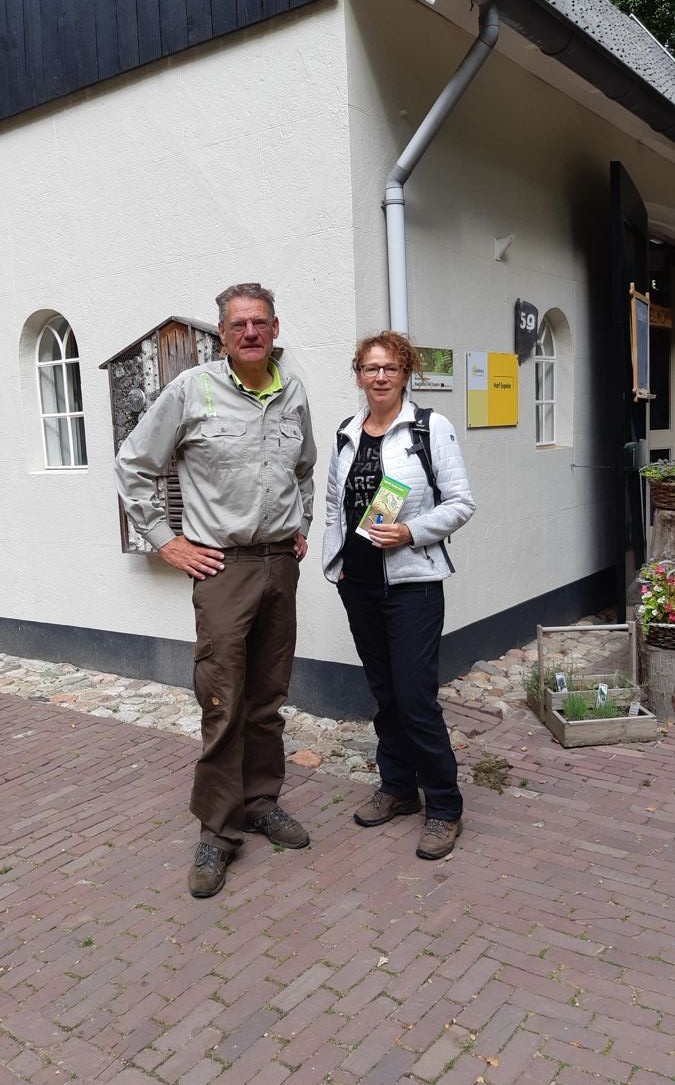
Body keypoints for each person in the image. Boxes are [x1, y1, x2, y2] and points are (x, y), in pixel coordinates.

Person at [115, 283, 316, 897]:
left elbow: (305, 467)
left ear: (275, 327)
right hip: (222, 568)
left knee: (267, 696)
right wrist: (165, 540)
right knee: (223, 699)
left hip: (280, 564)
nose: (250, 333)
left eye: (260, 323)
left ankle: (261, 803)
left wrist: (301, 525)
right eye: (238, 325)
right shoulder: (193, 389)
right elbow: (134, 464)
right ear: (223, 334)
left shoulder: (292, 391)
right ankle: (218, 832)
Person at [323, 331, 475, 860]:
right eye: (370, 368)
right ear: (359, 375)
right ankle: (397, 788)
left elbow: (461, 503)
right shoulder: (346, 432)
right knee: (385, 695)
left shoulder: (430, 428)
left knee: (415, 697)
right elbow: (334, 506)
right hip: (359, 585)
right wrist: (335, 564)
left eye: (390, 367)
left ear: (405, 372)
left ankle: (445, 807)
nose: (380, 376)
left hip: (412, 583)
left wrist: (412, 533)